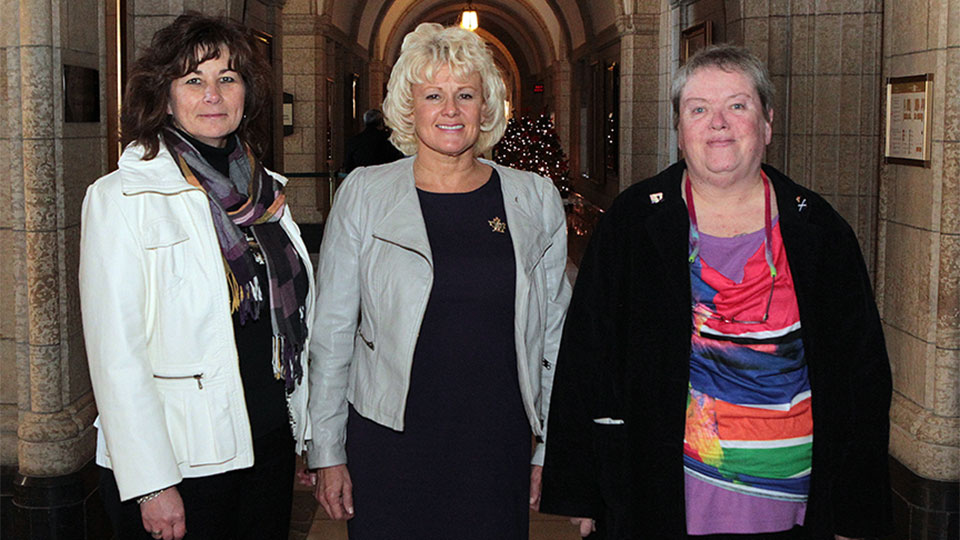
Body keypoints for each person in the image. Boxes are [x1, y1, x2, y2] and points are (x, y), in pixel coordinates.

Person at [540, 44, 892, 540]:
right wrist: (583, 489)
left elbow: (863, 377)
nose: (718, 123)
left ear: (767, 123)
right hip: (658, 493)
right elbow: (588, 356)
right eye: (699, 109)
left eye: (738, 105)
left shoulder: (818, 230)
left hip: (790, 503)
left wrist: (856, 512)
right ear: (680, 130)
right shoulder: (634, 222)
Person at [303, 22, 571, 539]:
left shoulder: (532, 198)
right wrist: (328, 450)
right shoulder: (365, 193)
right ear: (410, 107)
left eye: (465, 94)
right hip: (390, 441)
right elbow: (333, 330)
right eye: (433, 95)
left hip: (498, 441)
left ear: (486, 107)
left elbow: (556, 334)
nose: (450, 110)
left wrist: (549, 446)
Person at [79, 13, 314, 540]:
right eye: (193, 80)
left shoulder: (265, 192)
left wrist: (305, 433)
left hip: (267, 441)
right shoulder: (121, 198)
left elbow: (293, 322)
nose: (213, 93)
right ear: (164, 97)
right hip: (183, 462)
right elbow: (116, 356)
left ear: (246, 94)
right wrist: (152, 483)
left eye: (227, 78)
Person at [342, 108, 403, 173]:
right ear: (381, 122)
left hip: (362, 179)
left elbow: (348, 167)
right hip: (383, 177)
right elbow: (397, 163)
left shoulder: (354, 141)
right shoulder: (388, 140)